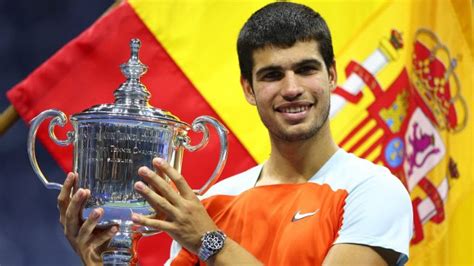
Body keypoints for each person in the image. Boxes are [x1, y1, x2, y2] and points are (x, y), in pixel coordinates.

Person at [57, 2, 413, 265]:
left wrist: (209, 241)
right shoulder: (212, 202)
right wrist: (103, 259)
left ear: (332, 75)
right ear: (248, 88)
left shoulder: (374, 190)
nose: (292, 89)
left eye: (306, 70)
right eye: (272, 75)